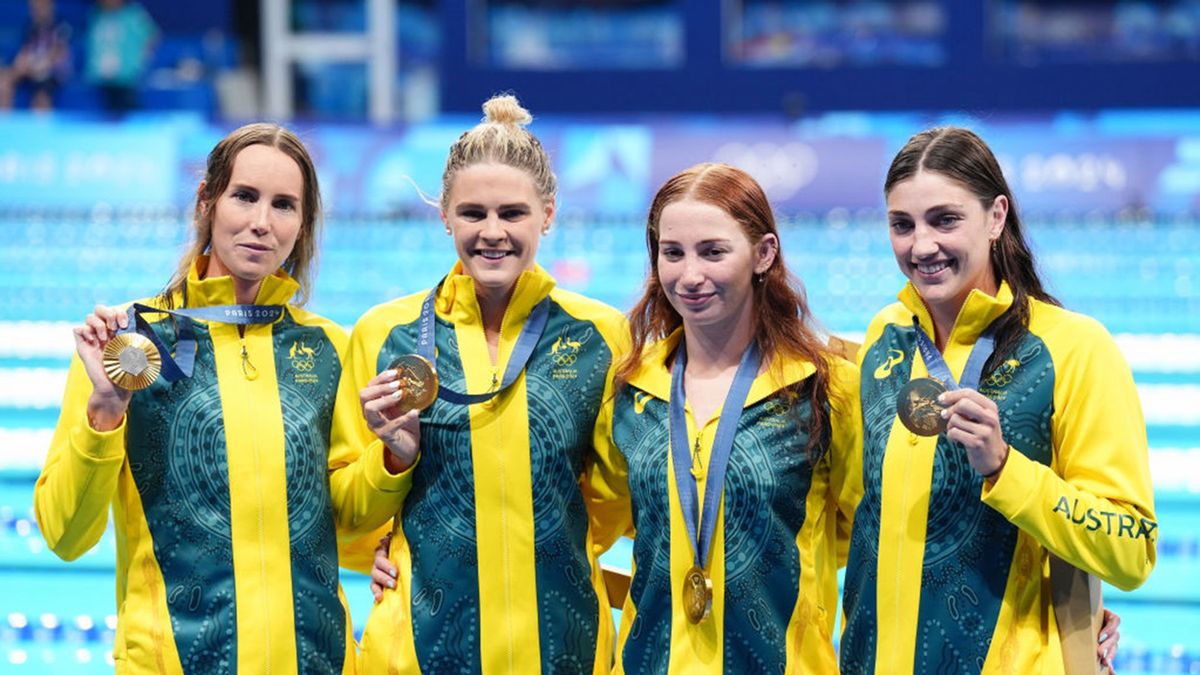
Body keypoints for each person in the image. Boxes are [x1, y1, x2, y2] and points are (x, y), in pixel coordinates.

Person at [34, 123, 400, 673]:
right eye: (245, 197)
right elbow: (65, 533)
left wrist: (388, 532)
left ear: (302, 226)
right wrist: (106, 410)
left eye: (283, 205)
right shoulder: (128, 342)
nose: (261, 222)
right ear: (207, 201)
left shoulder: (328, 348)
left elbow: (346, 523)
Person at [839, 126, 1155, 673]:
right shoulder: (884, 338)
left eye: (945, 219)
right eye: (902, 225)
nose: (922, 246)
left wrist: (1007, 468)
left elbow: (1131, 551)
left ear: (995, 216)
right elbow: (852, 518)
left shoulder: (1074, 350)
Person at [339, 94, 627, 673]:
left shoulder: (602, 334)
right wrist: (393, 464)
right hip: (416, 651)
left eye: (513, 213)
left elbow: (616, 497)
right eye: (473, 213)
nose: (492, 232)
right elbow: (344, 512)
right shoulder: (384, 334)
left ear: (548, 212)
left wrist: (535, 549)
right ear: (444, 213)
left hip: (565, 644)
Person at [585, 162, 862, 671]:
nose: (690, 276)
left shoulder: (824, 389)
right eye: (673, 253)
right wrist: (394, 545)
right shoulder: (630, 389)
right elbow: (583, 526)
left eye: (713, 251)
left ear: (763, 254)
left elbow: (873, 536)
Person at [84, 0, 157, 113]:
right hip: (101, 78)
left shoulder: (133, 14)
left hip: (126, 78)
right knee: (105, 117)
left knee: (129, 112)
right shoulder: (96, 15)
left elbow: (152, 36)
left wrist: (141, 60)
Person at [0, 0, 72, 110]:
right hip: (31, 70)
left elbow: (58, 55)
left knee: (41, 98)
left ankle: (41, 125)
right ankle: (4, 120)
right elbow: (24, 51)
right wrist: (18, 67)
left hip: (52, 74)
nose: (36, 9)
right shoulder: (29, 26)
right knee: (4, 81)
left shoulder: (62, 25)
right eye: (34, 6)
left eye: (40, 5)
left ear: (49, 4)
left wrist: (36, 65)